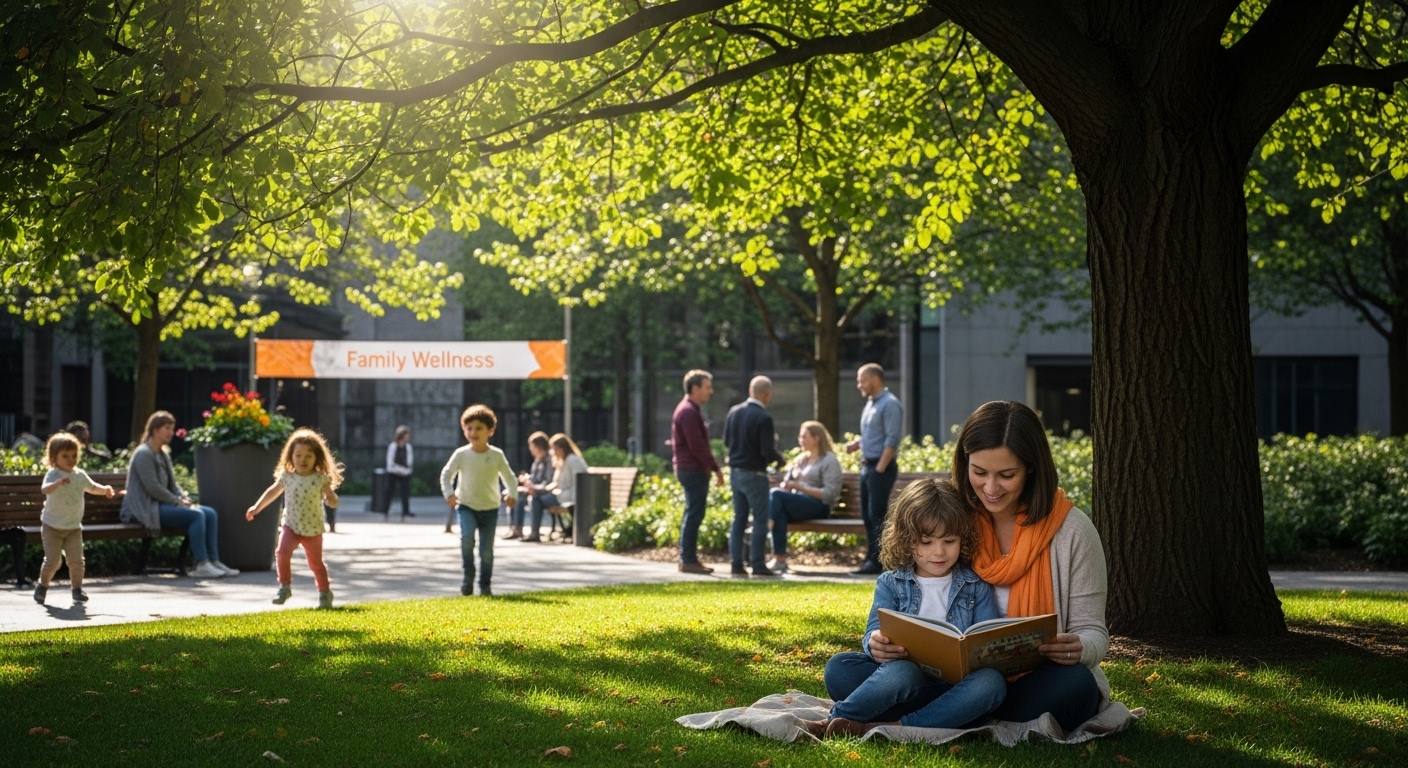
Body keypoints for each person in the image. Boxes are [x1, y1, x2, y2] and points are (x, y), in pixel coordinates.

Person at [951, 400, 1108, 731]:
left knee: (1076, 685)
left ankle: (951, 712)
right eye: (979, 472)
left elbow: (1093, 631)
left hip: (1034, 682)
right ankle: (969, 709)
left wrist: (1079, 648)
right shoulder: (952, 521)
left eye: (1006, 475)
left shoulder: (1072, 531)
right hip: (960, 679)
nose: (990, 489)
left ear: (1032, 468)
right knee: (843, 670)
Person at [809, 479, 1006, 737]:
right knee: (840, 667)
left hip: (953, 690)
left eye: (949, 540)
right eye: (926, 542)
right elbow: (872, 634)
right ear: (906, 539)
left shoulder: (975, 586)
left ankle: (890, 725)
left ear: (963, 539)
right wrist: (876, 643)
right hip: (903, 684)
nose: (939, 552)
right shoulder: (891, 583)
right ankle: (847, 719)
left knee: (991, 684)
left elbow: (987, 645)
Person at [120, 411, 239, 579]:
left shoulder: (163, 454)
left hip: (161, 505)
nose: (171, 432)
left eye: (172, 428)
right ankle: (202, 564)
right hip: (143, 509)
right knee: (196, 516)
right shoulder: (143, 454)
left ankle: (214, 561)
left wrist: (182, 498)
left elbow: (173, 485)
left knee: (210, 513)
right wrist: (176, 501)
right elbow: (152, 488)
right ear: (155, 430)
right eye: (167, 428)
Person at [245, 428, 343, 609]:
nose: (303, 460)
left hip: (313, 529)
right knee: (282, 553)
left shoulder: (320, 478)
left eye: (308, 456)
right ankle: (284, 586)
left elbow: (331, 499)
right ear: (291, 457)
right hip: (291, 525)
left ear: (317, 458)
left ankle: (324, 593)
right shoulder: (287, 477)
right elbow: (272, 492)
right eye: (298, 455)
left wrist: (333, 500)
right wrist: (257, 507)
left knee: (315, 563)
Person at [440, 405, 516, 597]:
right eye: (469, 428)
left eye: (479, 428)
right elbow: (446, 474)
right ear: (464, 429)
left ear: (490, 431)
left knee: (486, 551)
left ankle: (485, 584)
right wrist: (449, 493)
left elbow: (510, 477)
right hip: (466, 506)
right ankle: (468, 576)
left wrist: (512, 493)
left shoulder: (496, 455)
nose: (473, 432)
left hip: (490, 508)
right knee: (466, 540)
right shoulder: (461, 454)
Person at [33, 432, 116, 605]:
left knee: (77, 561)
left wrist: (105, 489)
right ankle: (42, 586)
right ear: (54, 457)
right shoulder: (53, 475)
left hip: (73, 527)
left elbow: (92, 487)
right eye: (65, 456)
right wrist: (58, 483)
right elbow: (45, 489)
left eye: (74, 455)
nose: (71, 459)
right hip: (52, 526)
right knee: (53, 562)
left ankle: (77, 590)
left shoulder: (79, 476)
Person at [723, 375, 786, 577]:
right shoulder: (764, 418)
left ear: (751, 391)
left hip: (735, 473)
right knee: (760, 519)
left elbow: (726, 441)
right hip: (755, 474)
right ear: (767, 394)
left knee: (739, 518)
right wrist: (780, 460)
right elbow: (766, 451)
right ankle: (758, 564)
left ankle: (736, 564)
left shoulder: (733, 412)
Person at [845, 363, 904, 575]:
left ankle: (879, 562)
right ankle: (872, 560)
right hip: (867, 467)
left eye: (862, 380)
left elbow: (892, 439)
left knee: (877, 515)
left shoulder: (890, 404)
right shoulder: (871, 404)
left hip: (880, 468)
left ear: (875, 379)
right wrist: (858, 444)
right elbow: (875, 435)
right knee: (868, 516)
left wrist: (879, 468)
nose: (859, 384)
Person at [766, 421, 842, 574]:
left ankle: (764, 529)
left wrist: (800, 487)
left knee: (775, 495)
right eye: (800, 437)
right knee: (779, 511)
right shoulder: (801, 460)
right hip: (797, 504)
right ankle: (779, 559)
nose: (800, 440)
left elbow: (829, 494)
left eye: (804, 437)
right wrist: (786, 485)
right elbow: (787, 483)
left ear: (816, 438)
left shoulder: (829, 460)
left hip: (819, 506)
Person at [671, 369, 725, 574]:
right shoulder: (688, 412)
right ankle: (688, 559)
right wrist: (715, 468)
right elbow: (698, 446)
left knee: (692, 512)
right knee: (694, 513)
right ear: (695, 388)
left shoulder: (689, 410)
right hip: (692, 469)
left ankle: (689, 558)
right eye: (707, 387)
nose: (711, 392)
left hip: (690, 468)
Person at [524, 433, 589, 542]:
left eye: (554, 449)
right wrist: (538, 489)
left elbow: (579, 483)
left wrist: (573, 500)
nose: (553, 452)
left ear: (562, 448)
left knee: (536, 500)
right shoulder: (562, 461)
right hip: (562, 494)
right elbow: (555, 483)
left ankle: (535, 533)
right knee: (536, 496)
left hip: (569, 496)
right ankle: (534, 532)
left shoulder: (573, 460)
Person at [505, 431, 553, 540]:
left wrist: (533, 486)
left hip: (544, 490)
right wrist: (527, 479)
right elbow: (534, 477)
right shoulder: (537, 460)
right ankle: (514, 528)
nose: (531, 451)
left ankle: (518, 529)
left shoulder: (549, 460)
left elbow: (548, 481)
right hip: (534, 488)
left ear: (539, 446)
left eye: (533, 447)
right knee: (512, 493)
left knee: (521, 496)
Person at [385, 425, 414, 522]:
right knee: (389, 492)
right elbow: (390, 464)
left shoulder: (408, 447)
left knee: (405, 493)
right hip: (394, 473)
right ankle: (385, 510)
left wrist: (407, 471)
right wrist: (401, 470)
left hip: (405, 474)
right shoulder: (393, 446)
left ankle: (406, 511)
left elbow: (409, 462)